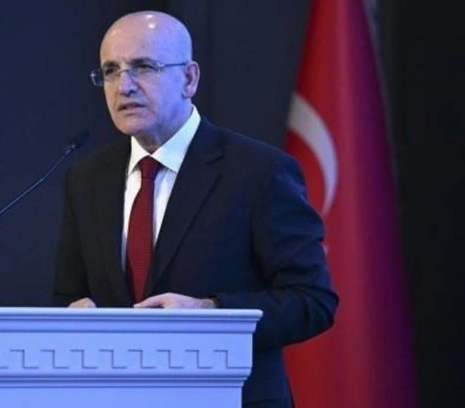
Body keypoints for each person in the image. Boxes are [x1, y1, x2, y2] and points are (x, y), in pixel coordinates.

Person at [53, 10, 338, 407]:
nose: (124, 86)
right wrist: (72, 314)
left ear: (189, 79)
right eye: (111, 71)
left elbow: (312, 301)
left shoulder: (259, 172)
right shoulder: (87, 179)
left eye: (143, 67)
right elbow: (68, 294)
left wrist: (210, 312)